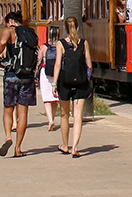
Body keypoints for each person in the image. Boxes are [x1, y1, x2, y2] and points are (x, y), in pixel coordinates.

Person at [0, 11, 39, 158]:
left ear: (11, 21)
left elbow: (1, 44)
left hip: (12, 75)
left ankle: (8, 137)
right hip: (27, 76)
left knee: (8, 108)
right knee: (23, 112)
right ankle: (18, 148)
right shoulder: (31, 33)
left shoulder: (10, 31)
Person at [53, 16, 93, 158]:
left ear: (64, 27)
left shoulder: (61, 43)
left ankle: (65, 145)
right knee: (78, 117)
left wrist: (54, 83)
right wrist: (85, 79)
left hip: (65, 83)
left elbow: (58, 64)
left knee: (64, 116)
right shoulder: (84, 43)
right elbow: (89, 65)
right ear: (77, 27)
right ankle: (75, 148)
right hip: (81, 84)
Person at [36, 22, 60, 132]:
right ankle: (53, 118)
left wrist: (35, 74)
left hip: (45, 73)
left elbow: (38, 61)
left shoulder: (44, 47)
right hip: (57, 74)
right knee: (54, 99)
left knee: (46, 99)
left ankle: (50, 120)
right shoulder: (61, 46)